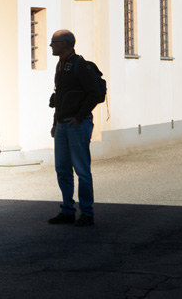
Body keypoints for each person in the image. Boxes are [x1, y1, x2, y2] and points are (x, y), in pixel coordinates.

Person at [47, 29, 101, 227]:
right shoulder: (60, 66)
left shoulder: (80, 65)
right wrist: (55, 123)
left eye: (54, 42)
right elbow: (59, 96)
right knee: (62, 168)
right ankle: (68, 210)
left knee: (82, 170)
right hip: (63, 124)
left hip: (77, 124)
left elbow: (94, 93)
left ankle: (87, 212)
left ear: (66, 44)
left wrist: (79, 117)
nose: (51, 45)